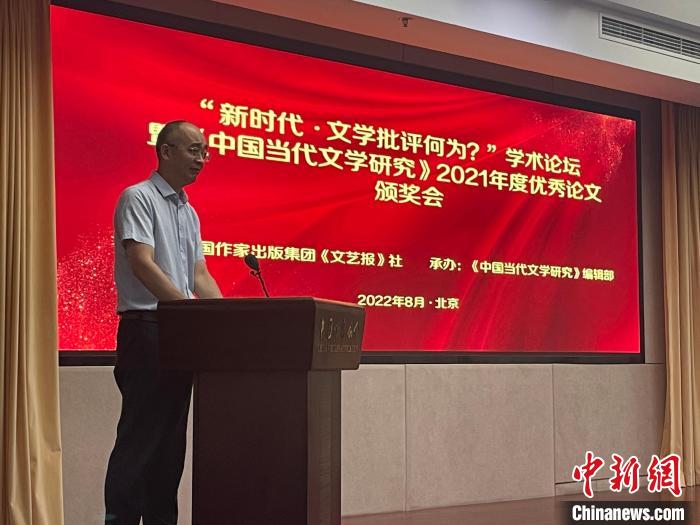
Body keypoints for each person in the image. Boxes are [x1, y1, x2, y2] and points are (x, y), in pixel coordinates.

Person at [104, 120, 222, 524]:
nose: (202, 159)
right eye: (194, 150)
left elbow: (199, 275)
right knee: (139, 440)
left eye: (205, 151)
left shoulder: (188, 211)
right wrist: (186, 310)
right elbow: (142, 263)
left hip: (179, 331)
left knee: (171, 445)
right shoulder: (138, 197)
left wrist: (228, 320)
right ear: (166, 151)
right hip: (147, 328)